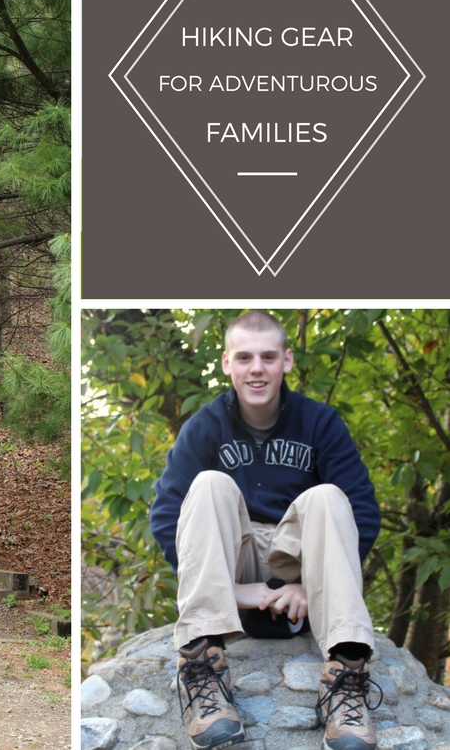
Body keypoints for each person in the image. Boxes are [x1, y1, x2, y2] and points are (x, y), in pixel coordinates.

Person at [150, 310, 383, 750]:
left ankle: (347, 675)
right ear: (226, 363)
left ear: (287, 361)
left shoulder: (320, 422)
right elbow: (167, 519)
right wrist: (232, 590)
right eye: (244, 357)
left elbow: (364, 515)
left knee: (329, 497)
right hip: (235, 567)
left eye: (268, 357)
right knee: (208, 485)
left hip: (296, 560)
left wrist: (303, 587)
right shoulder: (205, 426)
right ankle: (204, 669)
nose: (256, 368)